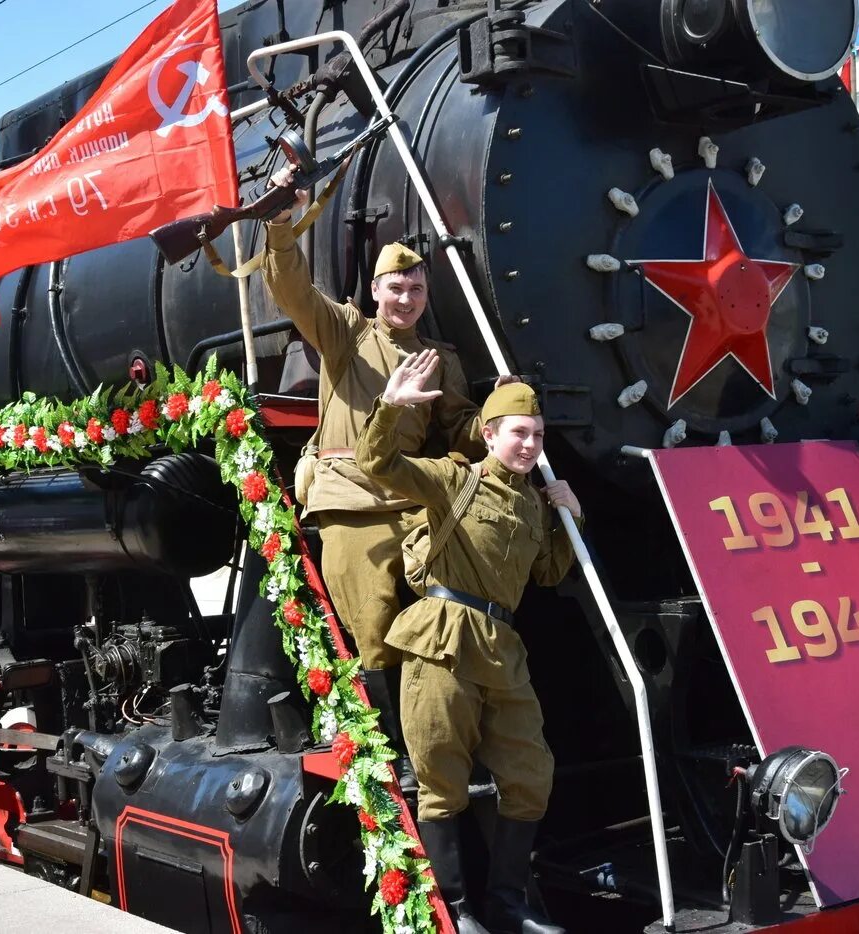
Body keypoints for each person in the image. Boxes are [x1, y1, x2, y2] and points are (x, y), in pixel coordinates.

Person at [260, 164, 487, 788]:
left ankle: (441, 741)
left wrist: (503, 420)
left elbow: (460, 424)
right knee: (374, 630)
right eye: (396, 288)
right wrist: (283, 230)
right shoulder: (346, 332)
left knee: (442, 622)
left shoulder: (440, 359)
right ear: (377, 291)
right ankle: (387, 755)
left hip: (413, 502)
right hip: (353, 501)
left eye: (415, 289)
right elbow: (292, 291)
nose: (406, 298)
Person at [356, 350, 581, 934]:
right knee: (441, 776)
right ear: (489, 433)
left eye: (537, 435)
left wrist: (568, 518)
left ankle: (507, 902)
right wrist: (389, 407)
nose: (529, 446)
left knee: (530, 773)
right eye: (518, 434)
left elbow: (550, 574)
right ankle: (455, 908)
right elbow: (377, 462)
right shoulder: (455, 478)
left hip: (501, 646)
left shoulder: (534, 502)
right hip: (443, 636)